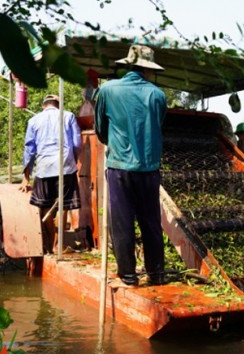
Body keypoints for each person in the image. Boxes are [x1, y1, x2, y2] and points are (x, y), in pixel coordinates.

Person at [94, 45, 167, 287]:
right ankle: (156, 274)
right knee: (151, 222)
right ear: (149, 70)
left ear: (128, 64)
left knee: (122, 222)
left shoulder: (106, 90)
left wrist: (113, 142)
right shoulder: (157, 95)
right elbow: (159, 125)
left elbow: (100, 129)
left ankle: (128, 275)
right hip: (149, 168)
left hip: (120, 168)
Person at [20, 94, 82, 254]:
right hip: (66, 167)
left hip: (44, 168)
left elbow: (29, 150)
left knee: (45, 206)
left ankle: (49, 241)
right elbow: (77, 143)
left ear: (43, 106)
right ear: (58, 104)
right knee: (63, 206)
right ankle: (57, 245)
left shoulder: (34, 120)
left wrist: (25, 179)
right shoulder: (68, 116)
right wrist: (73, 161)